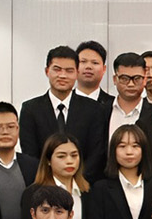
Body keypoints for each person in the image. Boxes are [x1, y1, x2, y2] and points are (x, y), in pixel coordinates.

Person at [20, 46, 108, 182]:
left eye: (69, 71)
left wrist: (76, 182)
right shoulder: (30, 109)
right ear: (47, 71)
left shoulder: (94, 109)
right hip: (44, 184)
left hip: (84, 185)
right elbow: (30, 153)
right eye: (57, 69)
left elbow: (96, 153)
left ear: (77, 73)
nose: (62, 75)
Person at [26, 134, 91, 219]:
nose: (69, 161)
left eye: (74, 155)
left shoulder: (87, 191)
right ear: (48, 160)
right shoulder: (33, 193)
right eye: (61, 156)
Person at [108, 53, 149, 134]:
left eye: (137, 78)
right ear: (115, 79)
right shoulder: (100, 112)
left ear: (144, 80)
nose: (131, 84)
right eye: (124, 79)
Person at [75, 41, 112, 105]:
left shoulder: (113, 104)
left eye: (95, 63)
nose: (88, 67)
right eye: (83, 61)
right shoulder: (64, 103)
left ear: (104, 69)